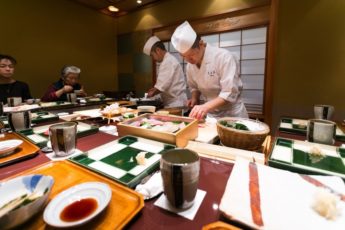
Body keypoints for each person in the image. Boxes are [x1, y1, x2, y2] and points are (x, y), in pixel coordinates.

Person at [171, 21, 248, 120]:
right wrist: (195, 98)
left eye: (191, 55)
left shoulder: (224, 57)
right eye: (184, 57)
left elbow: (229, 93)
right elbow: (194, 87)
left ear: (201, 44)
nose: (188, 60)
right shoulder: (190, 66)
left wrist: (205, 106)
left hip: (232, 115)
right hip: (211, 115)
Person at [143, 36, 187, 108]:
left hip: (175, 103)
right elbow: (163, 84)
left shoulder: (168, 61)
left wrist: (150, 94)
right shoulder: (167, 60)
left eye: (152, 55)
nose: (153, 59)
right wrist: (154, 89)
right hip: (174, 102)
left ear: (158, 50)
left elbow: (162, 86)